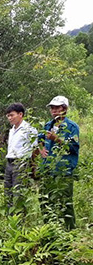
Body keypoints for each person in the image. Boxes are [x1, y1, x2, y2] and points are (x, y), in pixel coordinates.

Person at [37, 95, 80, 230]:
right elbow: (40, 138)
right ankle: (49, 230)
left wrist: (57, 139)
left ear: (64, 109)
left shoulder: (72, 127)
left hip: (63, 170)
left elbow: (73, 147)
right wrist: (41, 148)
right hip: (47, 170)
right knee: (45, 201)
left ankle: (70, 232)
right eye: (52, 108)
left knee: (65, 203)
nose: (54, 110)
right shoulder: (48, 125)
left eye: (57, 107)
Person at [4, 103, 37, 213]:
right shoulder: (12, 130)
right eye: (8, 116)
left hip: (21, 162)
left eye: (12, 115)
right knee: (7, 190)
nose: (10, 118)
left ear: (20, 114)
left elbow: (35, 148)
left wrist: (32, 166)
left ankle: (20, 219)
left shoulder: (29, 129)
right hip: (9, 161)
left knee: (18, 192)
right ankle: (10, 217)